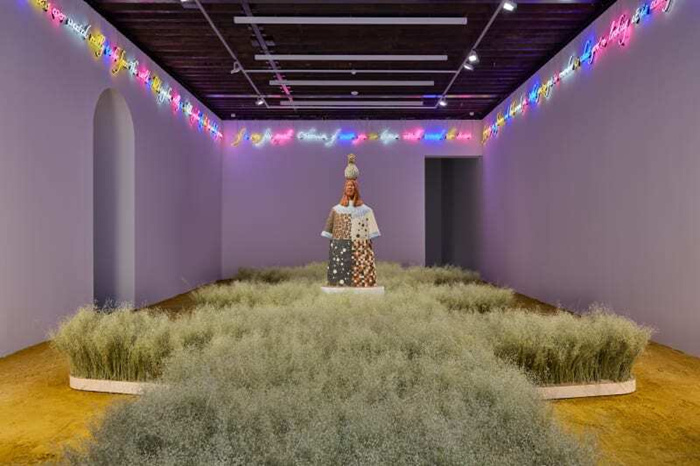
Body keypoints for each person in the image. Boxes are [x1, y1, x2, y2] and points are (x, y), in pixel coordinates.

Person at [321, 154, 380, 287]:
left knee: (362, 274)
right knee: (339, 275)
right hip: (340, 247)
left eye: (352, 186)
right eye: (348, 186)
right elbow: (328, 230)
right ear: (344, 189)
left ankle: (363, 281)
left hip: (361, 249)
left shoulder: (367, 211)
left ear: (356, 189)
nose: (350, 188)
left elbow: (373, 231)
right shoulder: (336, 210)